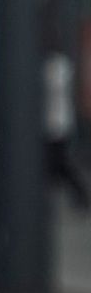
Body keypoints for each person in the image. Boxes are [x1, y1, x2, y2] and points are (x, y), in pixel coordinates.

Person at [47, 51, 90, 213]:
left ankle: (80, 196)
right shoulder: (60, 66)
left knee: (60, 165)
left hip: (55, 126)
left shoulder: (57, 67)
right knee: (56, 166)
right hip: (55, 125)